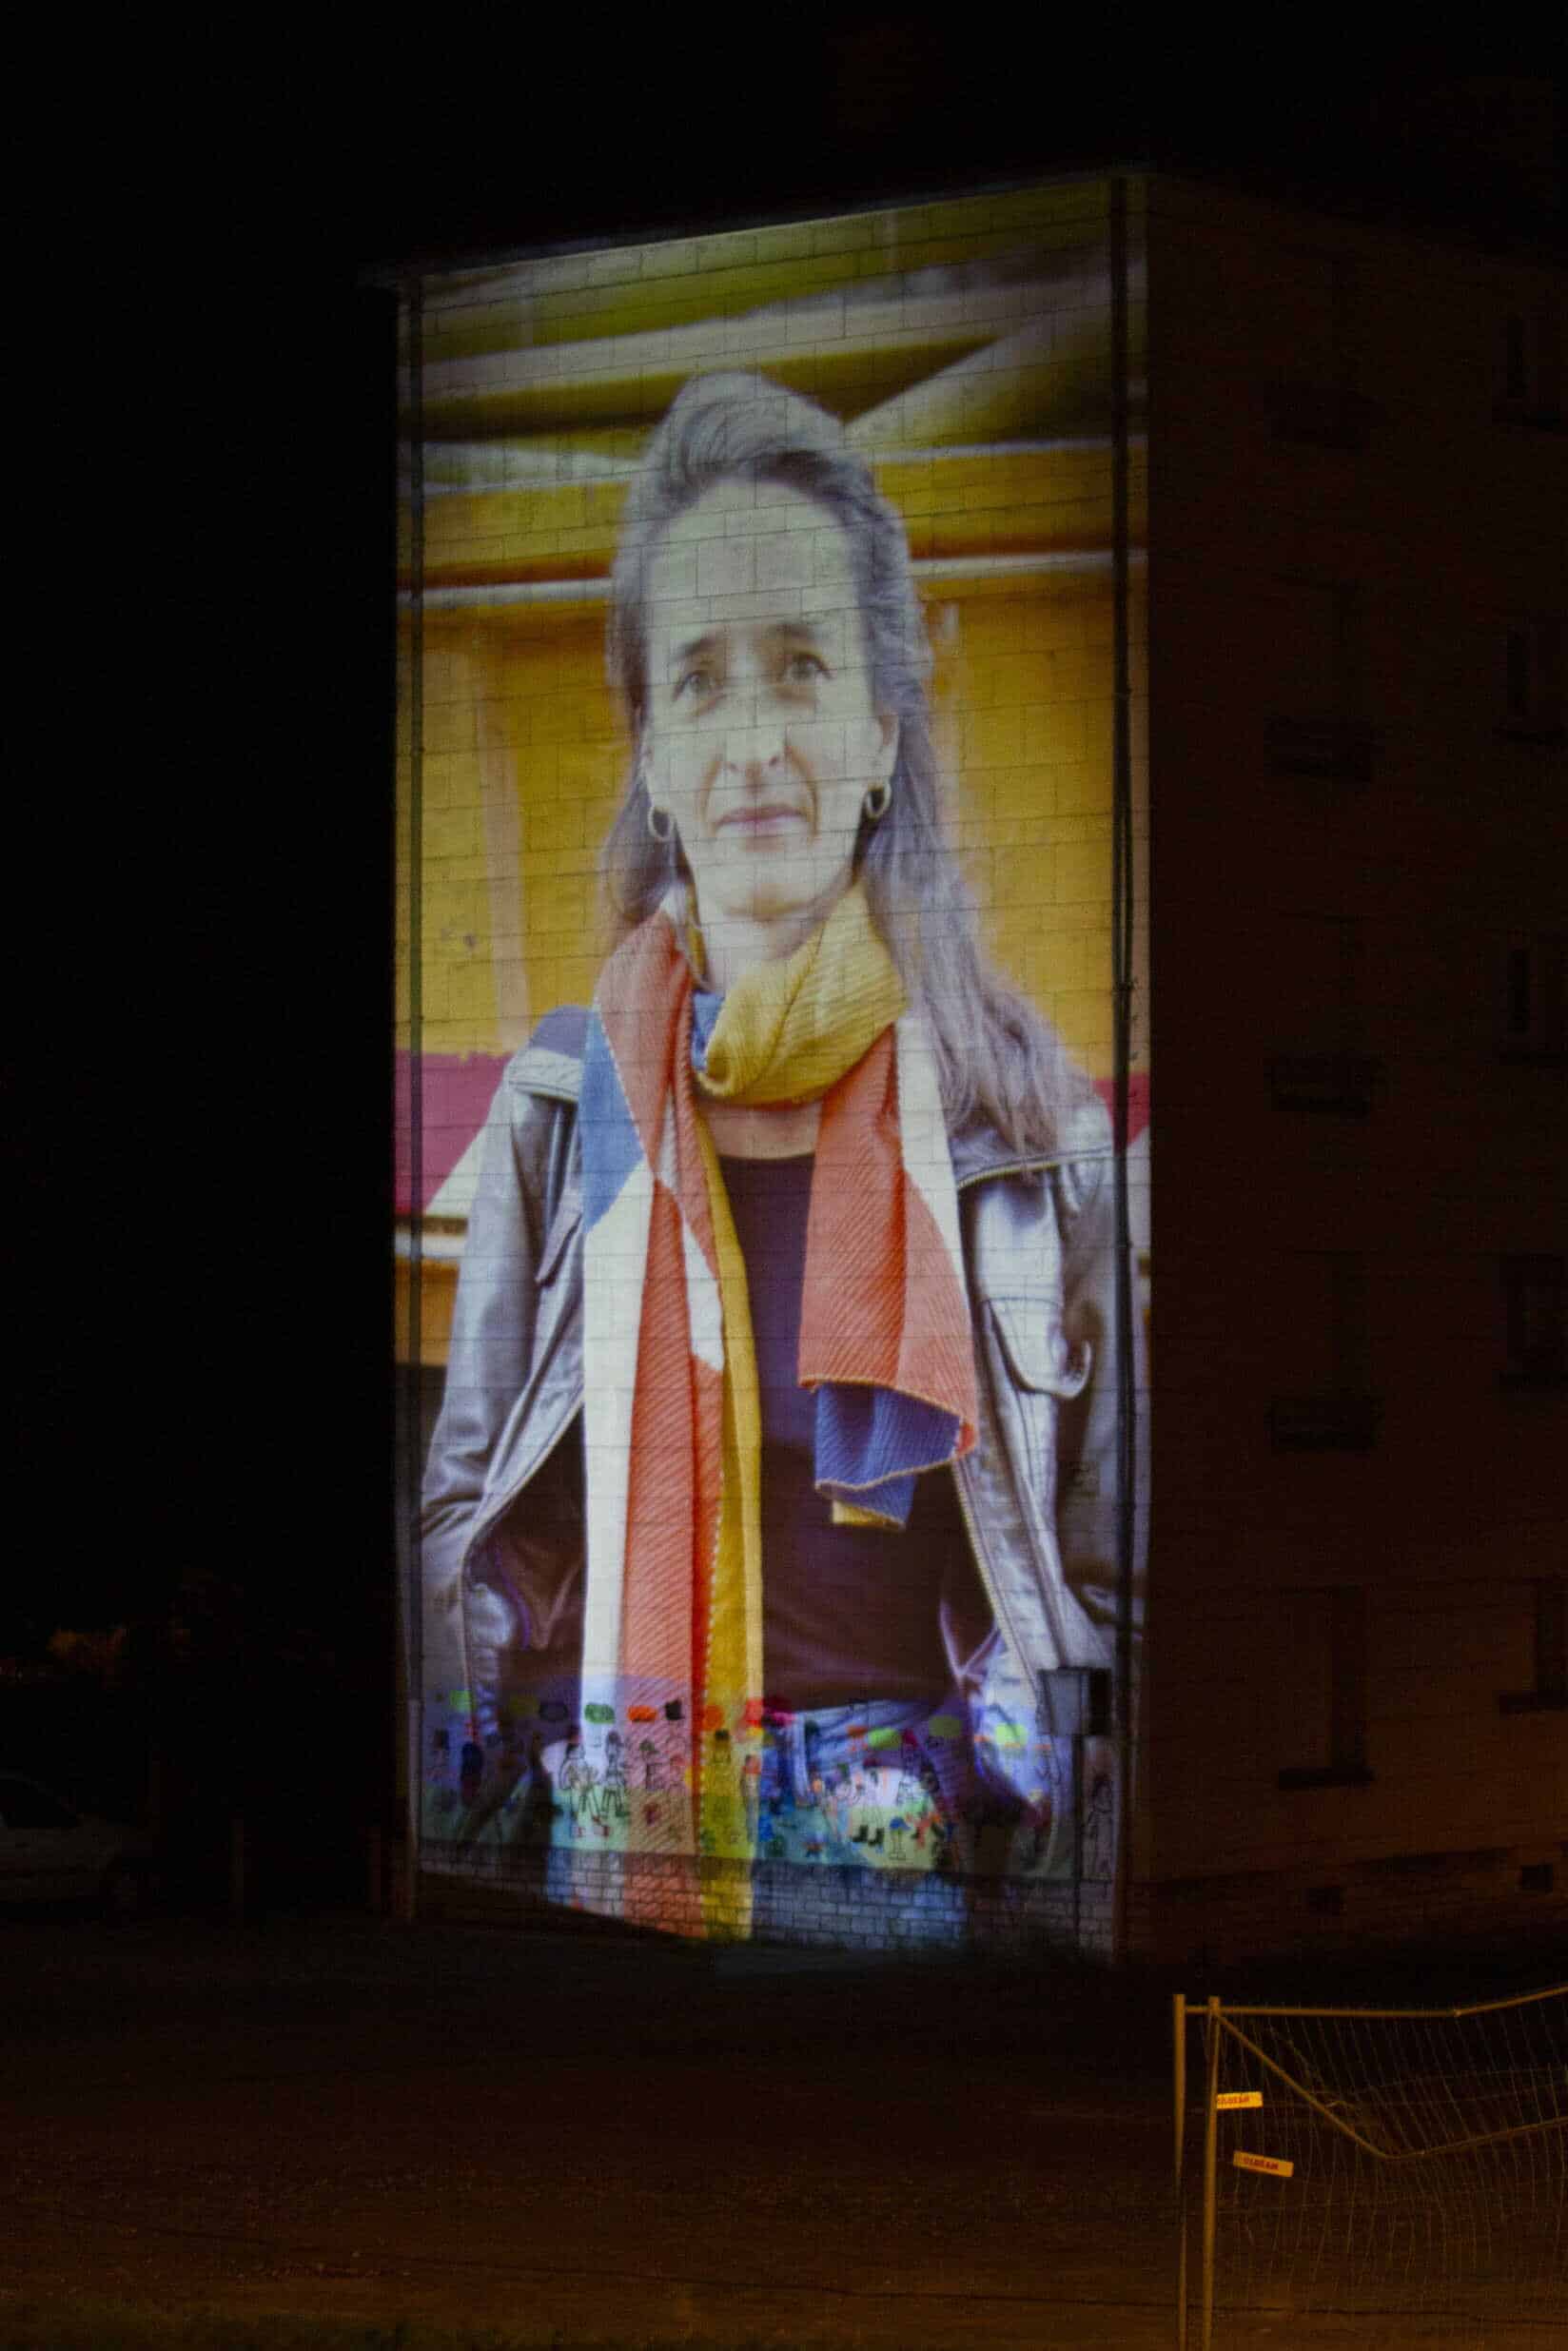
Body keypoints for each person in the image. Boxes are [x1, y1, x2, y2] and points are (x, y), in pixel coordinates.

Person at [421, 371, 1130, 1937]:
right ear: (654, 757)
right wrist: (478, 1836)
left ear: (879, 733)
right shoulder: (559, 1109)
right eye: (700, 681)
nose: (752, 742)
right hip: (616, 1835)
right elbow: (459, 1522)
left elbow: (1105, 1574)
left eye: (801, 667)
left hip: (910, 1868)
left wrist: (1059, 1876)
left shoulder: (1034, 1133)